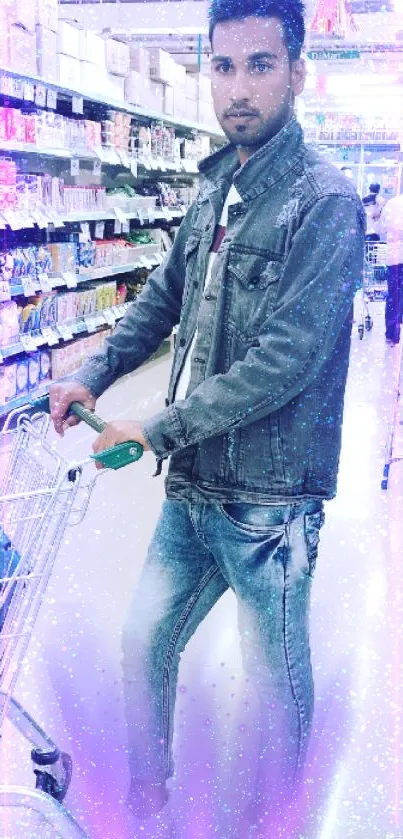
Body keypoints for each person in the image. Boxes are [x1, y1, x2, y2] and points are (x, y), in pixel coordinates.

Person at [49, 0, 365, 835]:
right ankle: (147, 798)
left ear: (297, 72)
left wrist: (151, 427)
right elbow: (162, 297)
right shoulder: (214, 183)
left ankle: (278, 816)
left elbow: (283, 362)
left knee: (273, 682)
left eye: (260, 65)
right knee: (141, 642)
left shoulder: (324, 204)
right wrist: (94, 368)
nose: (238, 88)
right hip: (194, 484)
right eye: (223, 67)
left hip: (267, 499)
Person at [380, 192, 403, 345]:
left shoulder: (392, 204)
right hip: (396, 255)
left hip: (394, 258)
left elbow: (382, 230)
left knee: (394, 296)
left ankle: (392, 333)